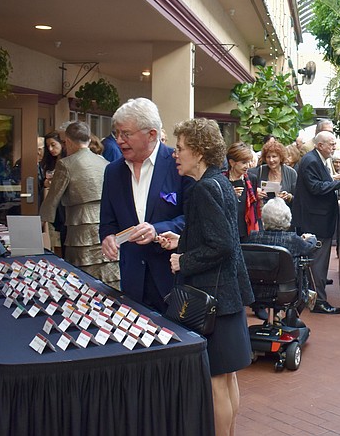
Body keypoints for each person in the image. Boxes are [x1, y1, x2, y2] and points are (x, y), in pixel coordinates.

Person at [158, 117, 254, 436]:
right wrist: (181, 241)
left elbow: (222, 245)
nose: (175, 153)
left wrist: (183, 260)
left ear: (199, 152)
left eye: (180, 148)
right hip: (227, 295)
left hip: (214, 300)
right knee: (227, 377)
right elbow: (220, 236)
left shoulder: (203, 189)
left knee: (216, 382)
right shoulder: (219, 182)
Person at [99, 98, 188, 312]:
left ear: (152, 134)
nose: (119, 140)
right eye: (117, 133)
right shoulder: (113, 172)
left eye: (126, 134)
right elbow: (107, 221)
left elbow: (193, 218)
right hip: (132, 281)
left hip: (172, 279)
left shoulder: (179, 165)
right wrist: (108, 237)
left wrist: (157, 230)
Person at [40, 122, 119, 289]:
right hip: (106, 227)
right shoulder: (104, 162)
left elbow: (52, 200)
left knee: (82, 279)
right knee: (109, 278)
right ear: (89, 139)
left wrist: (40, 223)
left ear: (68, 142)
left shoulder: (66, 164)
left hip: (80, 229)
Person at [293, 130, 340, 314]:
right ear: (320, 145)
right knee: (318, 263)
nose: (334, 147)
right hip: (316, 221)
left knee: (316, 262)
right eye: (332, 144)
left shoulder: (316, 159)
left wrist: (334, 179)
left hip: (317, 218)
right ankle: (318, 301)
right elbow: (315, 187)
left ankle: (313, 297)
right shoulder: (311, 160)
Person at [247, 197, 318, 326]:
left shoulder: (253, 237)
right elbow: (309, 249)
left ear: (264, 219)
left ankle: (276, 315)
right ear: (287, 219)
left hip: (256, 290)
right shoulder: (293, 239)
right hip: (285, 292)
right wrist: (311, 238)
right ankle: (287, 315)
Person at [224, 142, 261, 242]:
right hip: (227, 230)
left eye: (249, 162)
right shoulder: (222, 180)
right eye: (244, 163)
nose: (247, 166)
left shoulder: (251, 179)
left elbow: (254, 207)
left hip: (247, 229)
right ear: (232, 162)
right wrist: (230, 195)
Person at [248, 139, 297, 208]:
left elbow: (298, 197)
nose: (271, 160)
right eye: (268, 157)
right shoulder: (260, 171)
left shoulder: (291, 173)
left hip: (284, 212)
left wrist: (289, 197)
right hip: (263, 211)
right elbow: (249, 192)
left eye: (274, 156)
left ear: (280, 157)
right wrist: (256, 193)